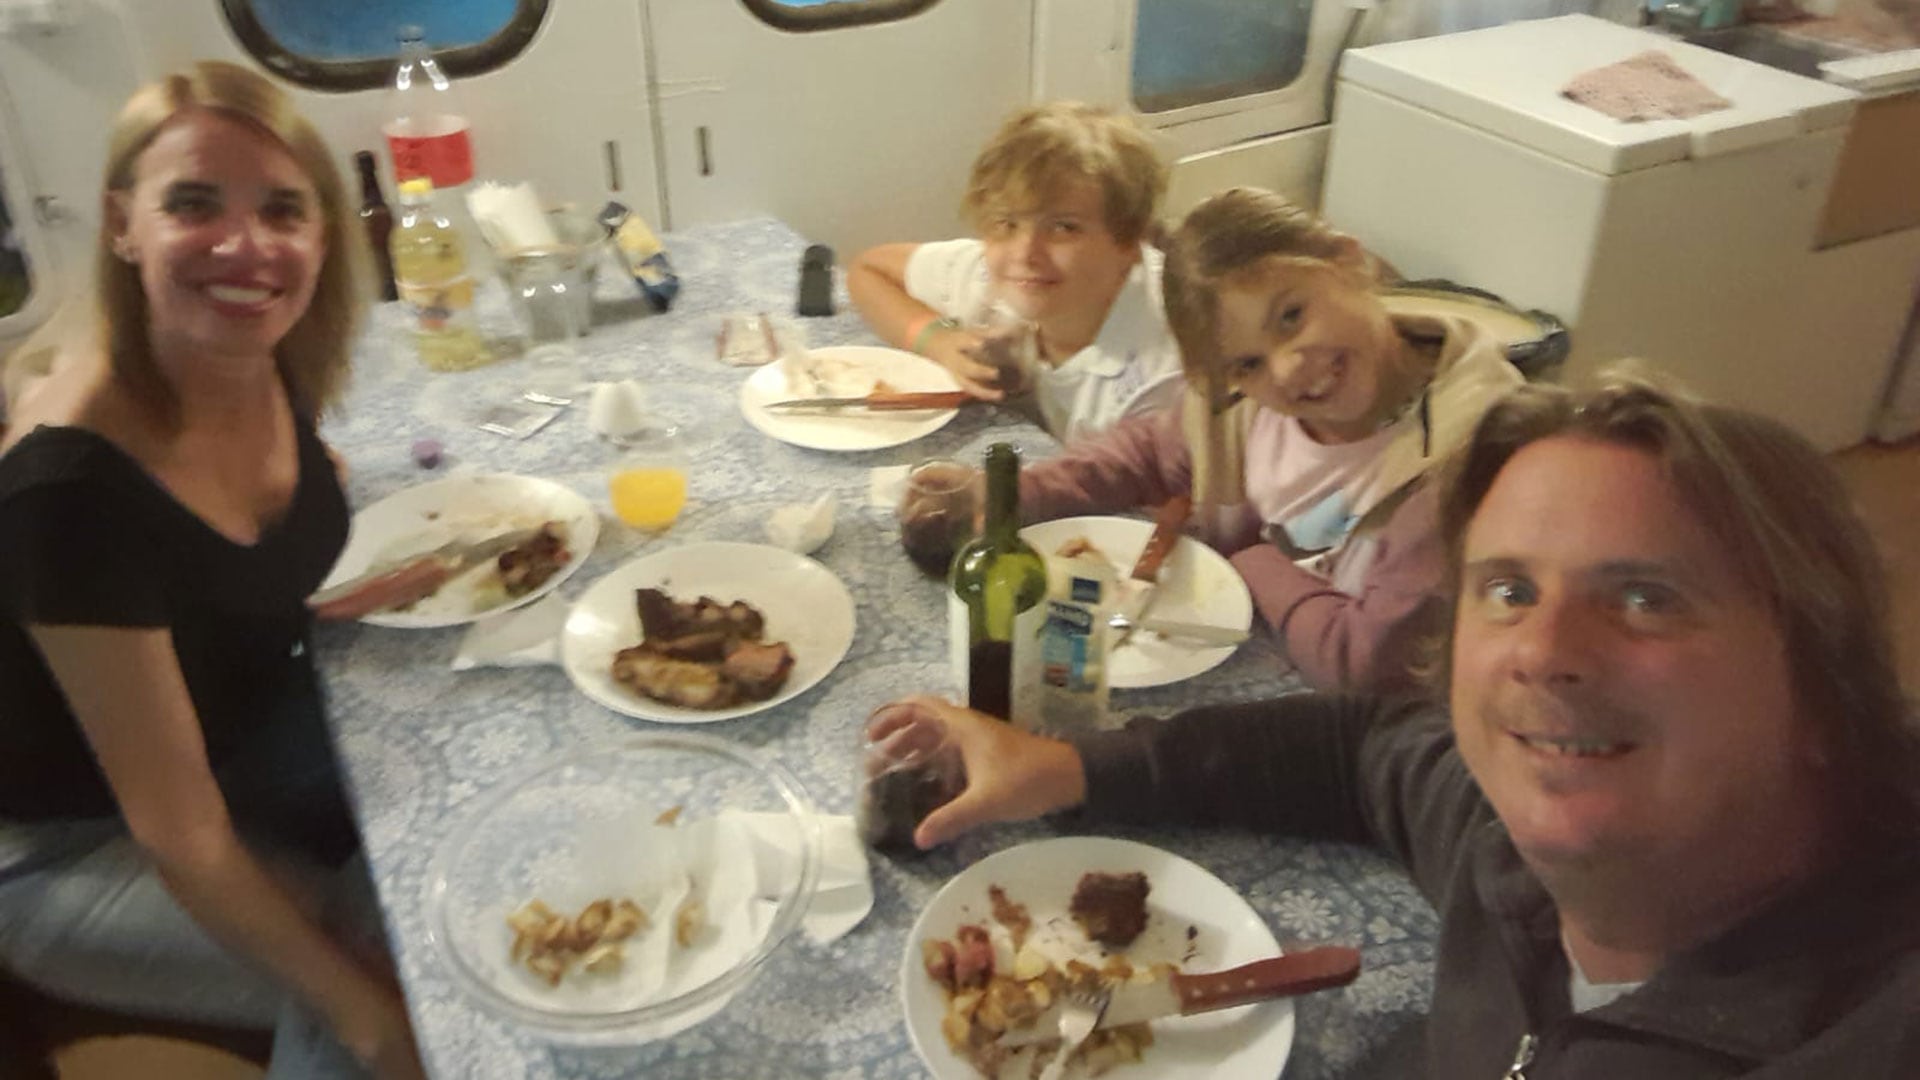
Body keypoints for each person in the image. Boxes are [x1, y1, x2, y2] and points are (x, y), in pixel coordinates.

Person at [870, 373, 1920, 1076]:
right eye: (1507, 590)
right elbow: (1362, 746)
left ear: (1824, 691)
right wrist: (1062, 764)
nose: (1544, 652)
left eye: (1647, 597)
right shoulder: (1501, 826)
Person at [0, 62, 424, 1078]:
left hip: (230, 734)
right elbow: (181, 834)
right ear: (120, 224)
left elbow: (238, 538)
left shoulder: (256, 353)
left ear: (321, 233)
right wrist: (371, 1020)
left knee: (460, 776)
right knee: (386, 963)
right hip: (68, 846)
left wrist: (316, 594)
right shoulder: (69, 489)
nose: (248, 246)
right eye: (194, 202)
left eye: (284, 209)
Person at [928, 185, 1525, 690]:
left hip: (1379, 727)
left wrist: (1251, 559)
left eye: (1291, 316)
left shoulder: (1465, 462)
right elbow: (1147, 452)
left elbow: (1361, 662)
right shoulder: (1242, 409)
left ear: (1348, 263)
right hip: (1255, 655)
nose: (1287, 369)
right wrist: (1018, 496)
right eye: (1248, 364)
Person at [846, 101, 1184, 444]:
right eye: (1006, 222)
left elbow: (1163, 493)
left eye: (1063, 228)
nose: (1024, 253)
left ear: (1129, 242)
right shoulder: (990, 276)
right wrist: (936, 340)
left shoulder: (1164, 372)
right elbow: (869, 270)